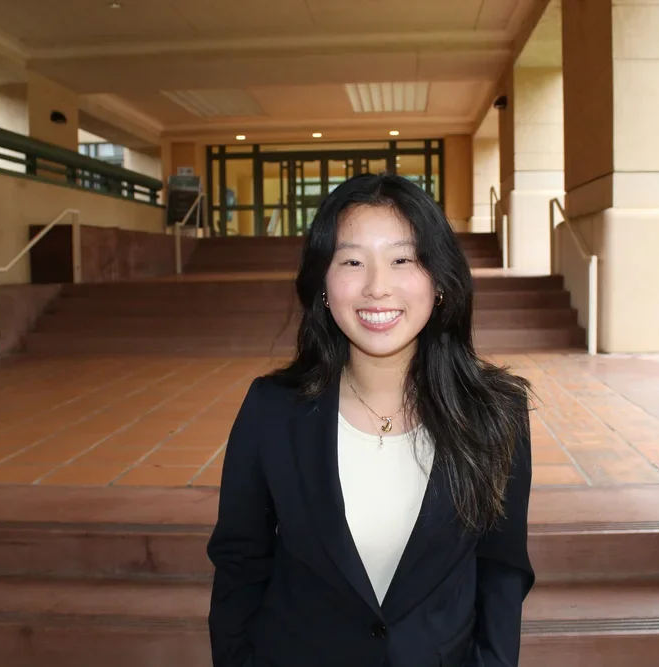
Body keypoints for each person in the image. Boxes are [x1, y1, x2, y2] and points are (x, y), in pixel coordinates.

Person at [207, 172, 534, 667]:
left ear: (439, 282)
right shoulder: (272, 410)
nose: (377, 287)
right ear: (323, 284)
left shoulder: (495, 412)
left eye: (403, 259)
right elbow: (240, 561)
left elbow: (501, 570)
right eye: (353, 261)